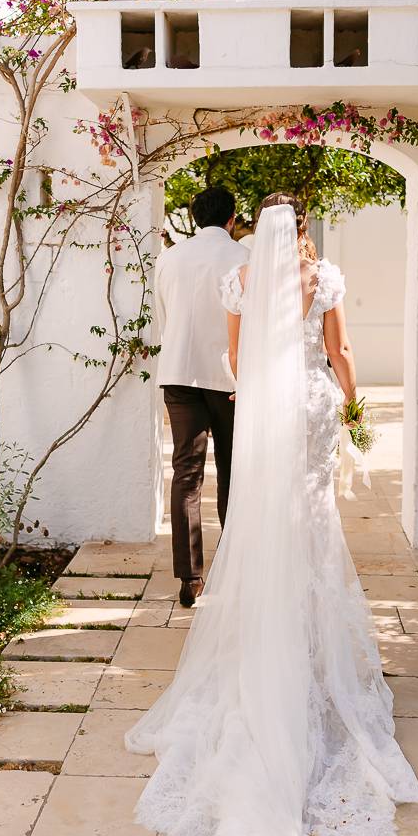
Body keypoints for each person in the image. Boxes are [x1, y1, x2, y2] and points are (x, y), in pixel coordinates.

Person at [127, 193, 418, 836]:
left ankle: (267, 628)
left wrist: (260, 393)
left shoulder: (241, 282)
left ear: (253, 232)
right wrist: (352, 405)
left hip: (265, 408)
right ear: (305, 233)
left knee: (263, 520)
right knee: (314, 523)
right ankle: (315, 648)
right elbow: (342, 350)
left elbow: (233, 363)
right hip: (314, 405)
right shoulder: (324, 278)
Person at [154, 185, 249, 608]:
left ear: (195, 218)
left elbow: (163, 317)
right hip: (229, 379)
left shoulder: (169, 258)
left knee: (186, 474)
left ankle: (190, 577)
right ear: (232, 218)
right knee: (233, 471)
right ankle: (230, 569)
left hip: (179, 372)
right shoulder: (244, 257)